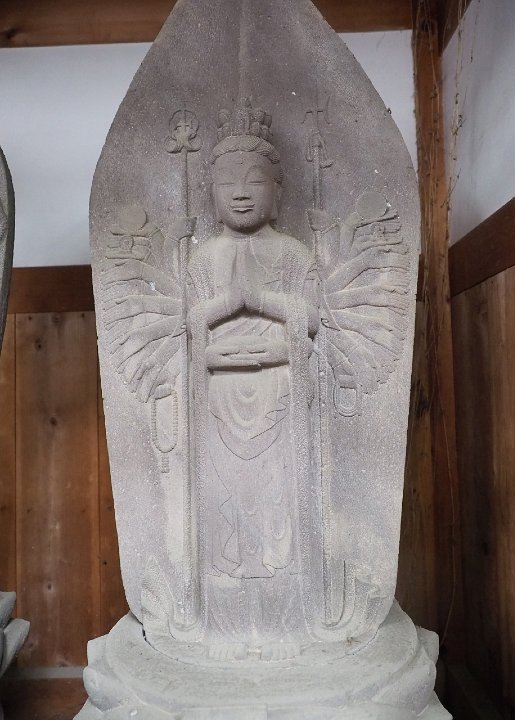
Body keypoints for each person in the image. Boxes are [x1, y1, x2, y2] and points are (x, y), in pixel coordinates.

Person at [185, 101, 319, 658]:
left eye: (255, 180)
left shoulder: (293, 254)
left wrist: (258, 299)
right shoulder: (203, 258)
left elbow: (309, 320)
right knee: (226, 503)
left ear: (278, 190)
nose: (241, 192)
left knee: (276, 501)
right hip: (220, 394)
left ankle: (284, 614)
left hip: (277, 394)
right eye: (227, 182)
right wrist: (228, 303)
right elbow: (192, 325)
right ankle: (225, 614)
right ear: (210, 192)